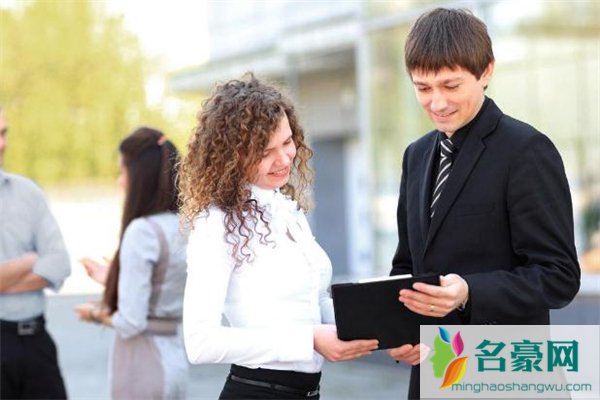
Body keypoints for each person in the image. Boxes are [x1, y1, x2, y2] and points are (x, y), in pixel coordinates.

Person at [386, 8, 580, 399]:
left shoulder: (526, 151)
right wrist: (398, 331)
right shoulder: (416, 156)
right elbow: (407, 266)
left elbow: (559, 276)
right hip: (435, 374)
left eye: (450, 85)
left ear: (486, 71)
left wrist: (469, 291)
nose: (437, 102)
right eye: (423, 88)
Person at [179, 73, 379, 399]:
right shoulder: (217, 223)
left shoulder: (286, 210)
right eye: (265, 151)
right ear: (233, 156)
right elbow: (200, 343)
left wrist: (381, 326)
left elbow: (311, 303)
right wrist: (309, 339)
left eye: (287, 142)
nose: (284, 159)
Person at [74, 127, 189, 399]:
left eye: (123, 172)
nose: (120, 182)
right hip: (173, 361)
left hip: (143, 366)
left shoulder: (142, 231)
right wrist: (113, 278)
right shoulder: (183, 226)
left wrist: (94, 314)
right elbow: (163, 284)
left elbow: (130, 322)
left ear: (139, 177)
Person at [0, 106, 71, 399]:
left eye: (4, 133)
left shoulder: (28, 193)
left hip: (36, 345)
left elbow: (59, 264)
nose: (2, 143)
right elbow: (45, 263)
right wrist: (29, 262)